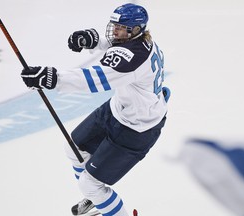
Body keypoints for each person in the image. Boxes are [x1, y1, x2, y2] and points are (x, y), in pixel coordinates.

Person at [21, 3, 170, 216]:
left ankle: (104, 201)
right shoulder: (141, 40)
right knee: (75, 149)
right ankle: (97, 200)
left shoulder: (132, 58)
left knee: (89, 184)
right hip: (120, 110)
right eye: (115, 26)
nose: (115, 31)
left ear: (135, 29)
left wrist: (54, 79)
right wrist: (93, 41)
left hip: (137, 129)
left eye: (121, 27)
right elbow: (115, 43)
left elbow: (95, 79)